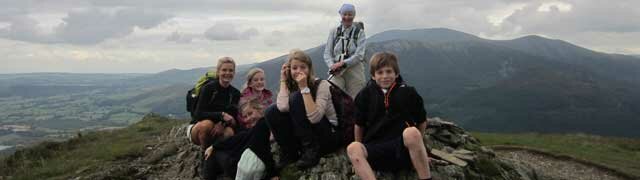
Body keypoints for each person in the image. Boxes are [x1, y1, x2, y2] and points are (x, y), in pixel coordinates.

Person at [346, 52, 433, 180]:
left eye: (389, 71)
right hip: (375, 149)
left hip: (402, 149)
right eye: (380, 72)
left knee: (412, 132)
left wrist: (419, 150)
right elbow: (359, 124)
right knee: (353, 148)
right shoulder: (365, 95)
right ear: (373, 76)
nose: (385, 76)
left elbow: (421, 121)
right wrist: (359, 155)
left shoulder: (408, 93)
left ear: (396, 73)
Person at [265, 49, 343, 169]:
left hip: (328, 135)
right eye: (294, 68)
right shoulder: (291, 85)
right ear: (289, 70)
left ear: (309, 69)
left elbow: (315, 118)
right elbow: (283, 107)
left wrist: (304, 89)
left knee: (296, 98)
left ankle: (311, 151)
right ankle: (290, 152)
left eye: (303, 67)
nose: (299, 71)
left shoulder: (322, 85)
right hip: (308, 134)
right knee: (271, 111)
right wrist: (283, 79)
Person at [186, 57, 241, 180]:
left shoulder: (235, 93)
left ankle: (218, 158)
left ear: (234, 73)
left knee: (229, 132)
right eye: (224, 70)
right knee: (207, 125)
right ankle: (205, 159)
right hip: (198, 128)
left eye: (231, 70)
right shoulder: (209, 89)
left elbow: (232, 117)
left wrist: (223, 124)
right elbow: (198, 114)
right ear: (218, 72)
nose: (227, 73)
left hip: (220, 129)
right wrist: (220, 115)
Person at [323, 3, 367, 98]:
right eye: (345, 14)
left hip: (354, 69)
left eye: (350, 14)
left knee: (357, 97)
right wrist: (332, 66)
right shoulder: (334, 31)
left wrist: (343, 63)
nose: (347, 17)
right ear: (341, 15)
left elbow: (359, 55)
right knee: (332, 94)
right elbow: (327, 53)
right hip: (337, 70)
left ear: (354, 15)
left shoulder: (359, 32)